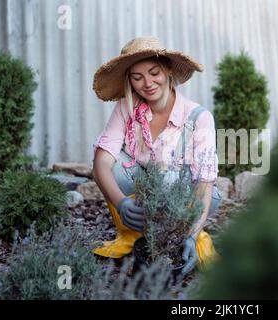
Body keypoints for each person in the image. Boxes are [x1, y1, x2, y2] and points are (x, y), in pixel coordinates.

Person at [91, 37, 221, 275]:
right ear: (129, 80)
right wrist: (121, 202)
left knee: (185, 184)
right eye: (137, 77)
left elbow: (204, 184)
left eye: (154, 73)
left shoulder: (199, 118)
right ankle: (134, 234)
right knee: (114, 166)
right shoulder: (126, 108)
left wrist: (190, 237)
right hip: (145, 194)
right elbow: (101, 161)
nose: (147, 83)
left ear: (168, 71)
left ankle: (191, 235)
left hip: (187, 196)